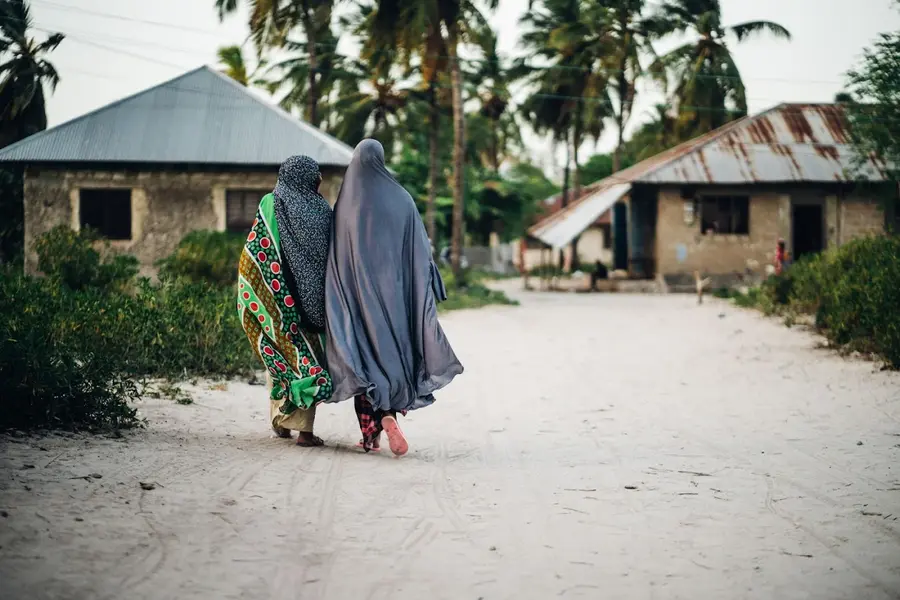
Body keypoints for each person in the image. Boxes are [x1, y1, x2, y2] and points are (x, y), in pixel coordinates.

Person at [324, 139, 463, 456]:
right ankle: (391, 414)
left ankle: (372, 431)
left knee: (364, 359)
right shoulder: (402, 199)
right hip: (398, 301)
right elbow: (421, 253)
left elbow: (336, 258)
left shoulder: (347, 204)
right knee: (394, 359)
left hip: (357, 301)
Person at [237, 155, 334, 447]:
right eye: (317, 175)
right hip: (315, 305)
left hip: (279, 300)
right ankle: (304, 431)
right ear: (308, 178)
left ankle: (282, 420)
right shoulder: (323, 210)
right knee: (308, 361)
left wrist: (254, 286)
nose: (320, 180)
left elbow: (257, 249)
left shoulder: (271, 203)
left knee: (282, 359)